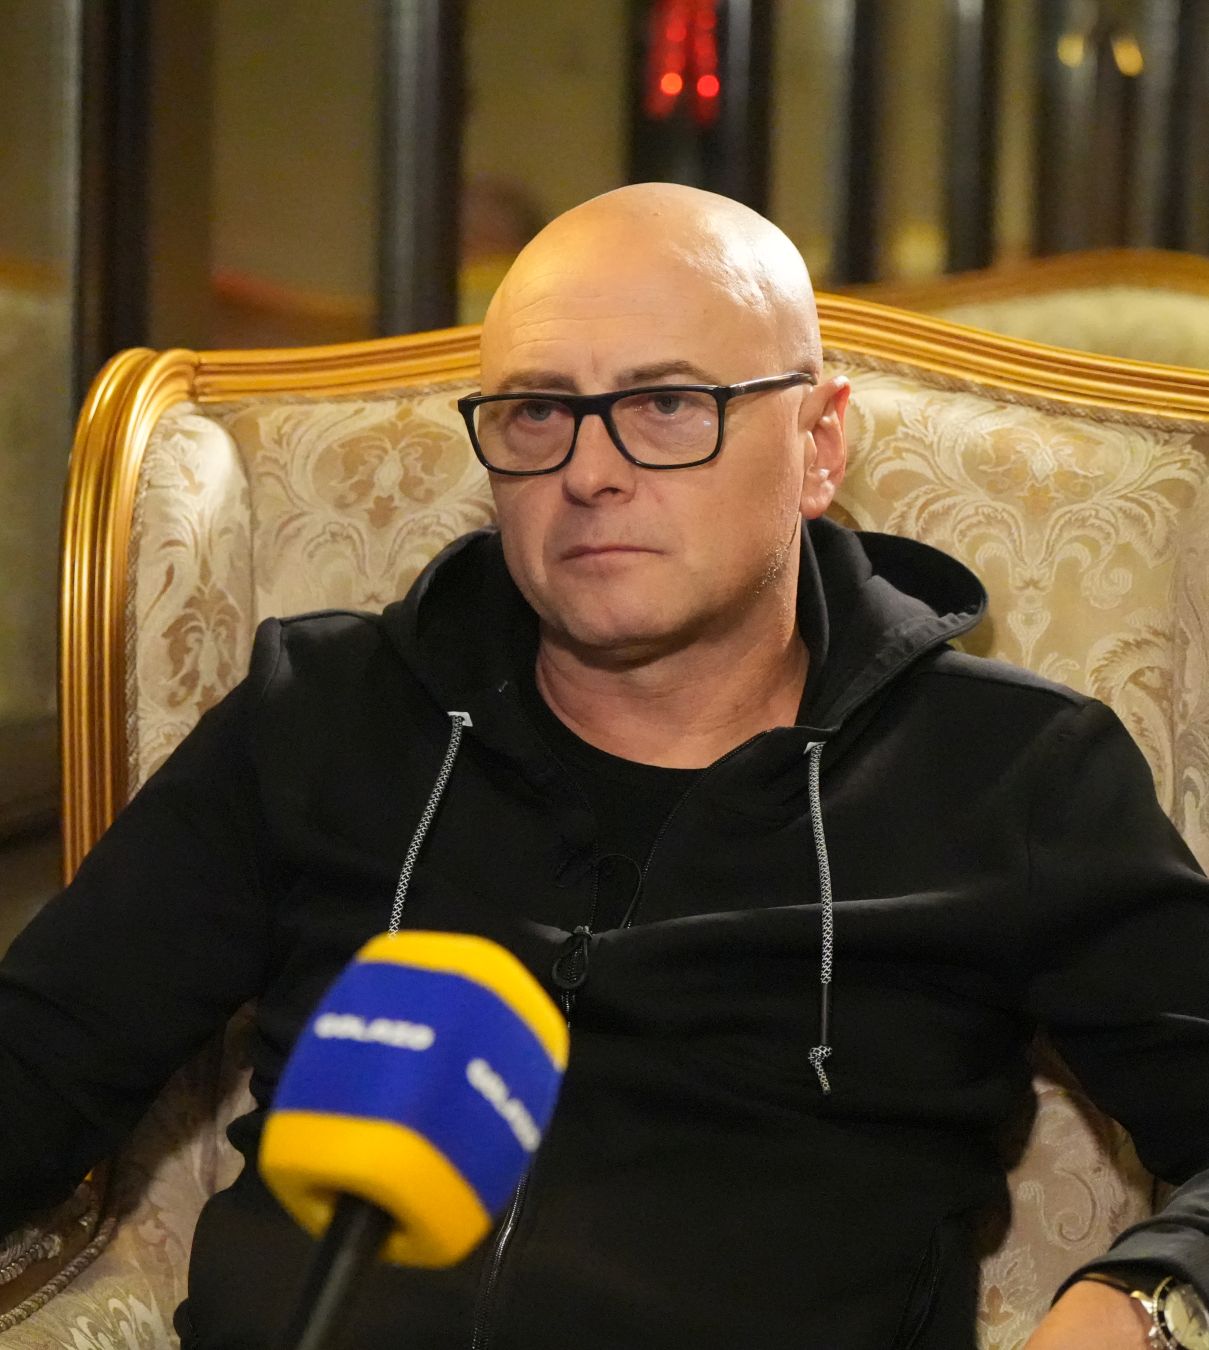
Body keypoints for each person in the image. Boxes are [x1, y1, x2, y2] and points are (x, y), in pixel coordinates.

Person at [3, 183, 1209, 1349]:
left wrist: (1145, 1302)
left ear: (818, 445)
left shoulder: (1013, 775)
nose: (588, 470)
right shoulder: (318, 716)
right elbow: (38, 1064)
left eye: (669, 403)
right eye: (537, 410)